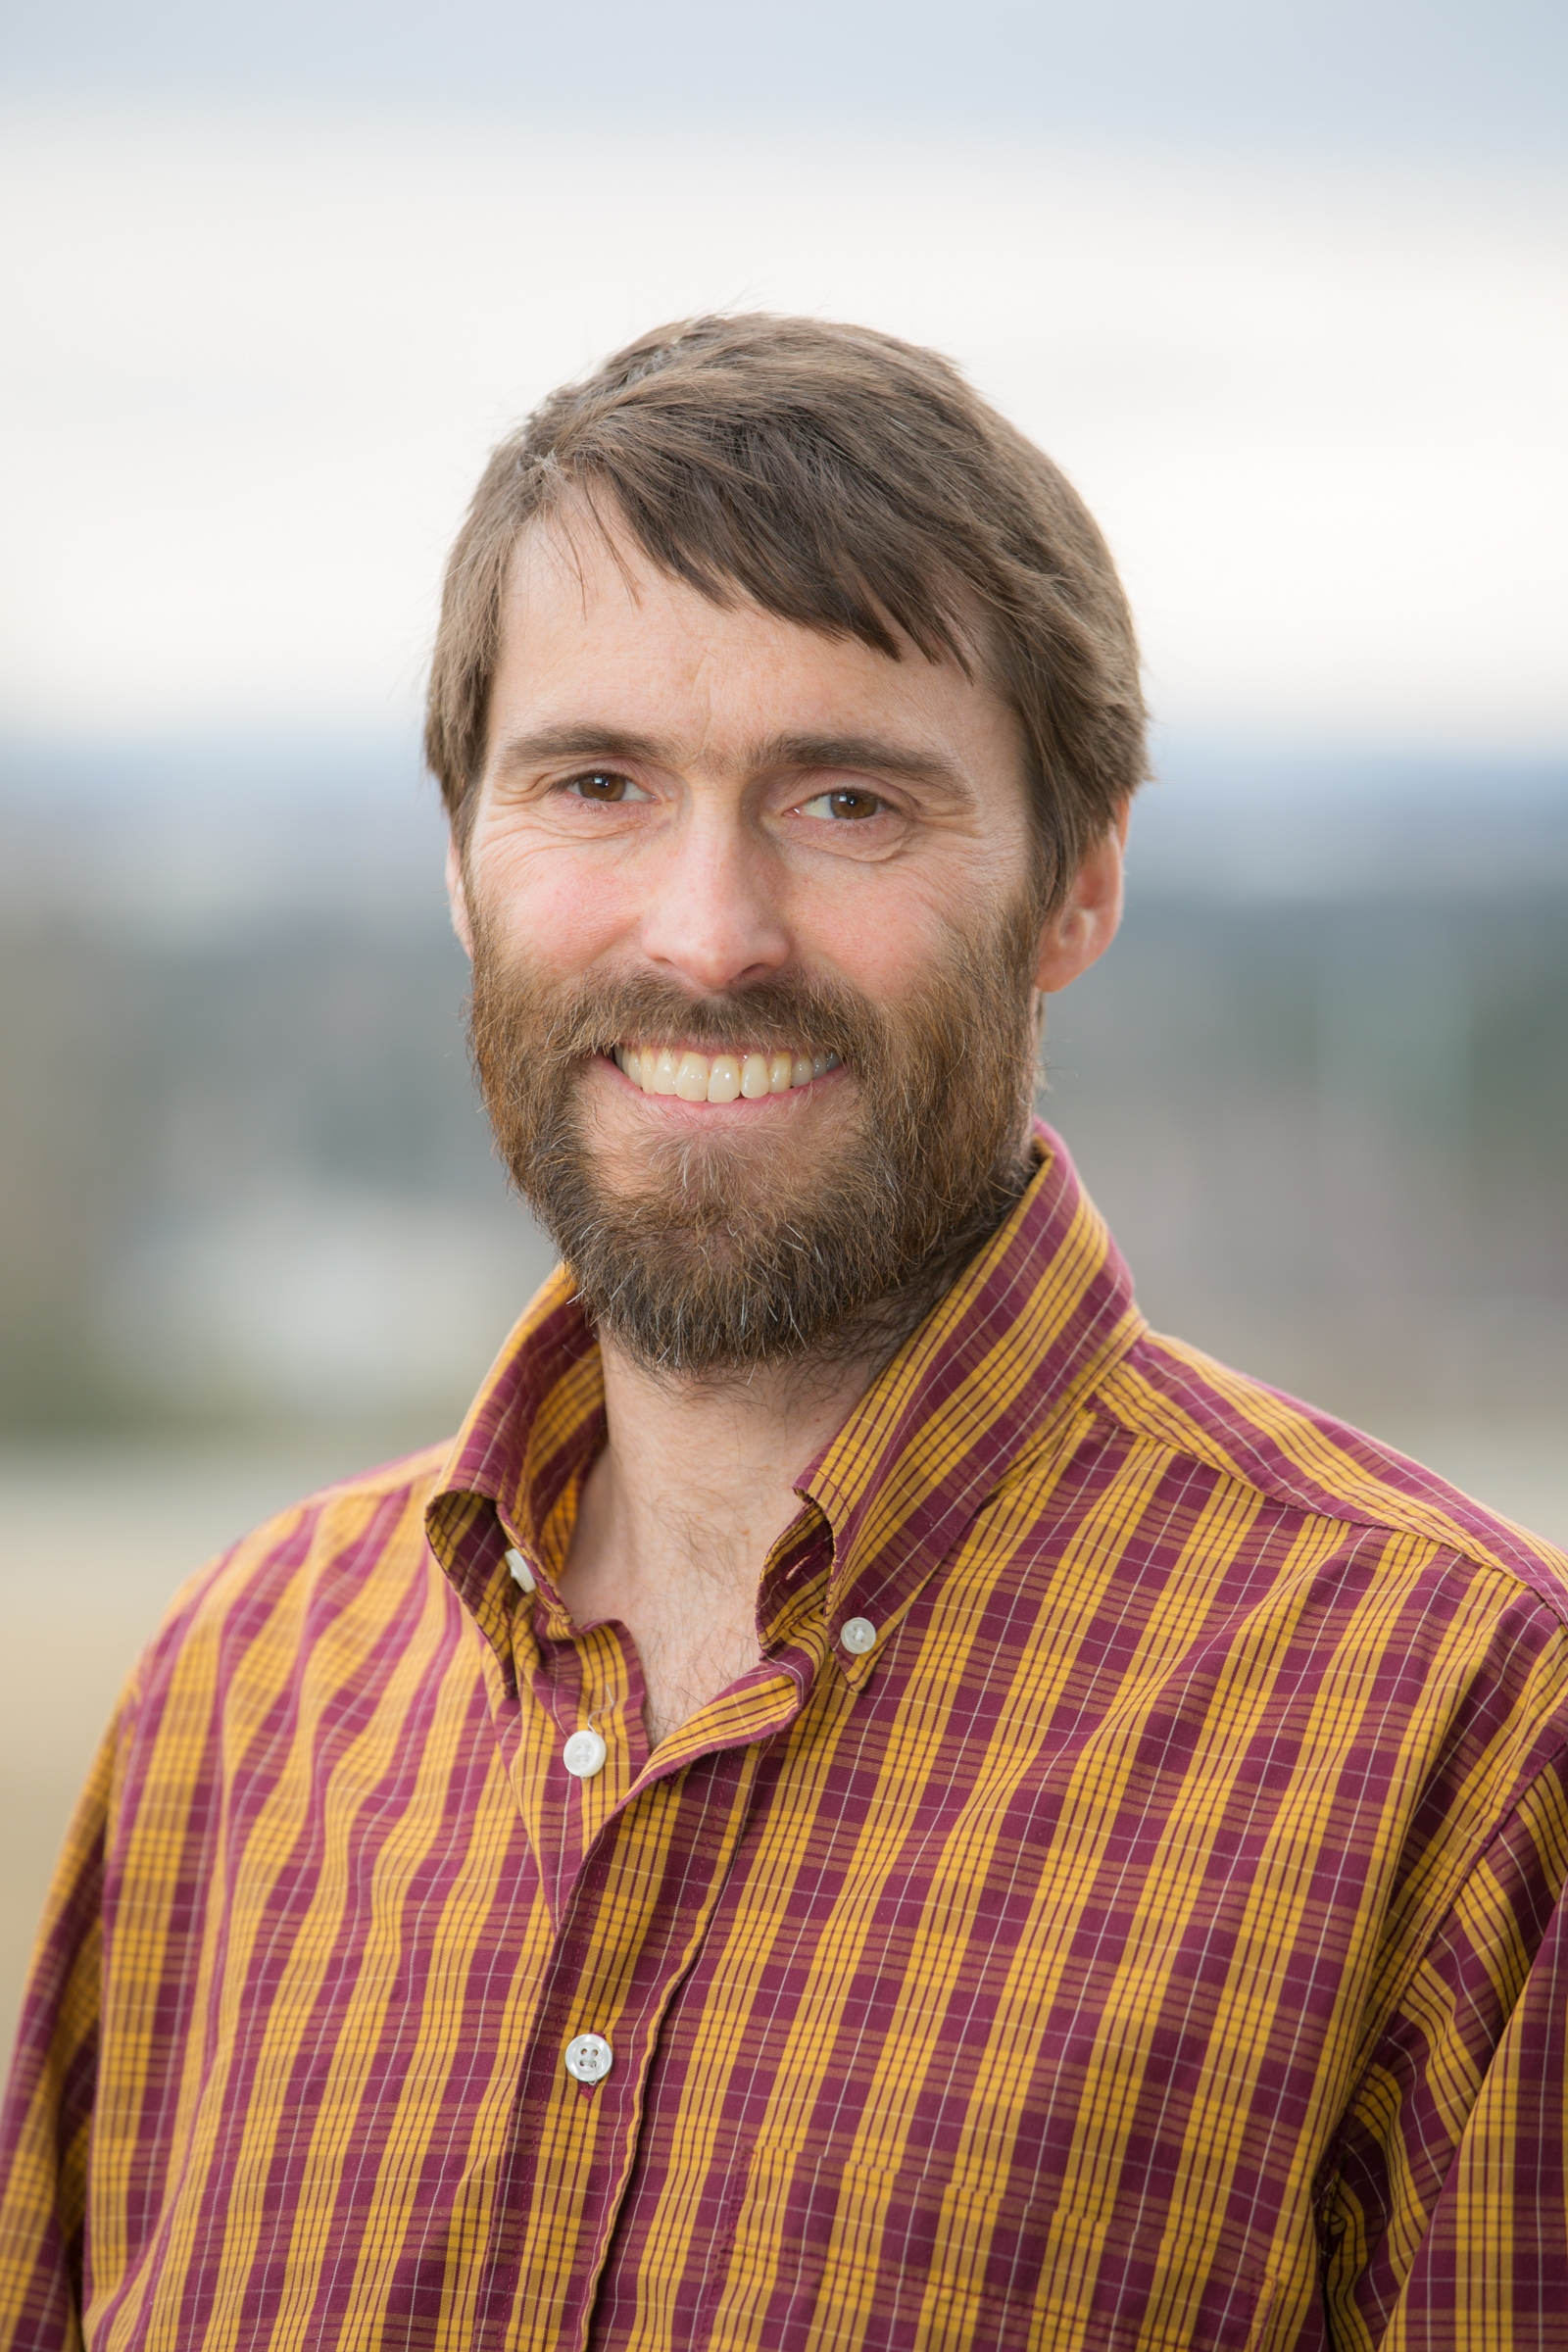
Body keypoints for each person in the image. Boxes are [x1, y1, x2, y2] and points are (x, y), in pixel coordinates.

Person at [2, 315, 1566, 2352]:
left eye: (844, 802)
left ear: (1077, 883)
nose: (707, 934)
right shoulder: (241, 1696)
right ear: (462, 865)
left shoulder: (1460, 1734)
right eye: (596, 785)